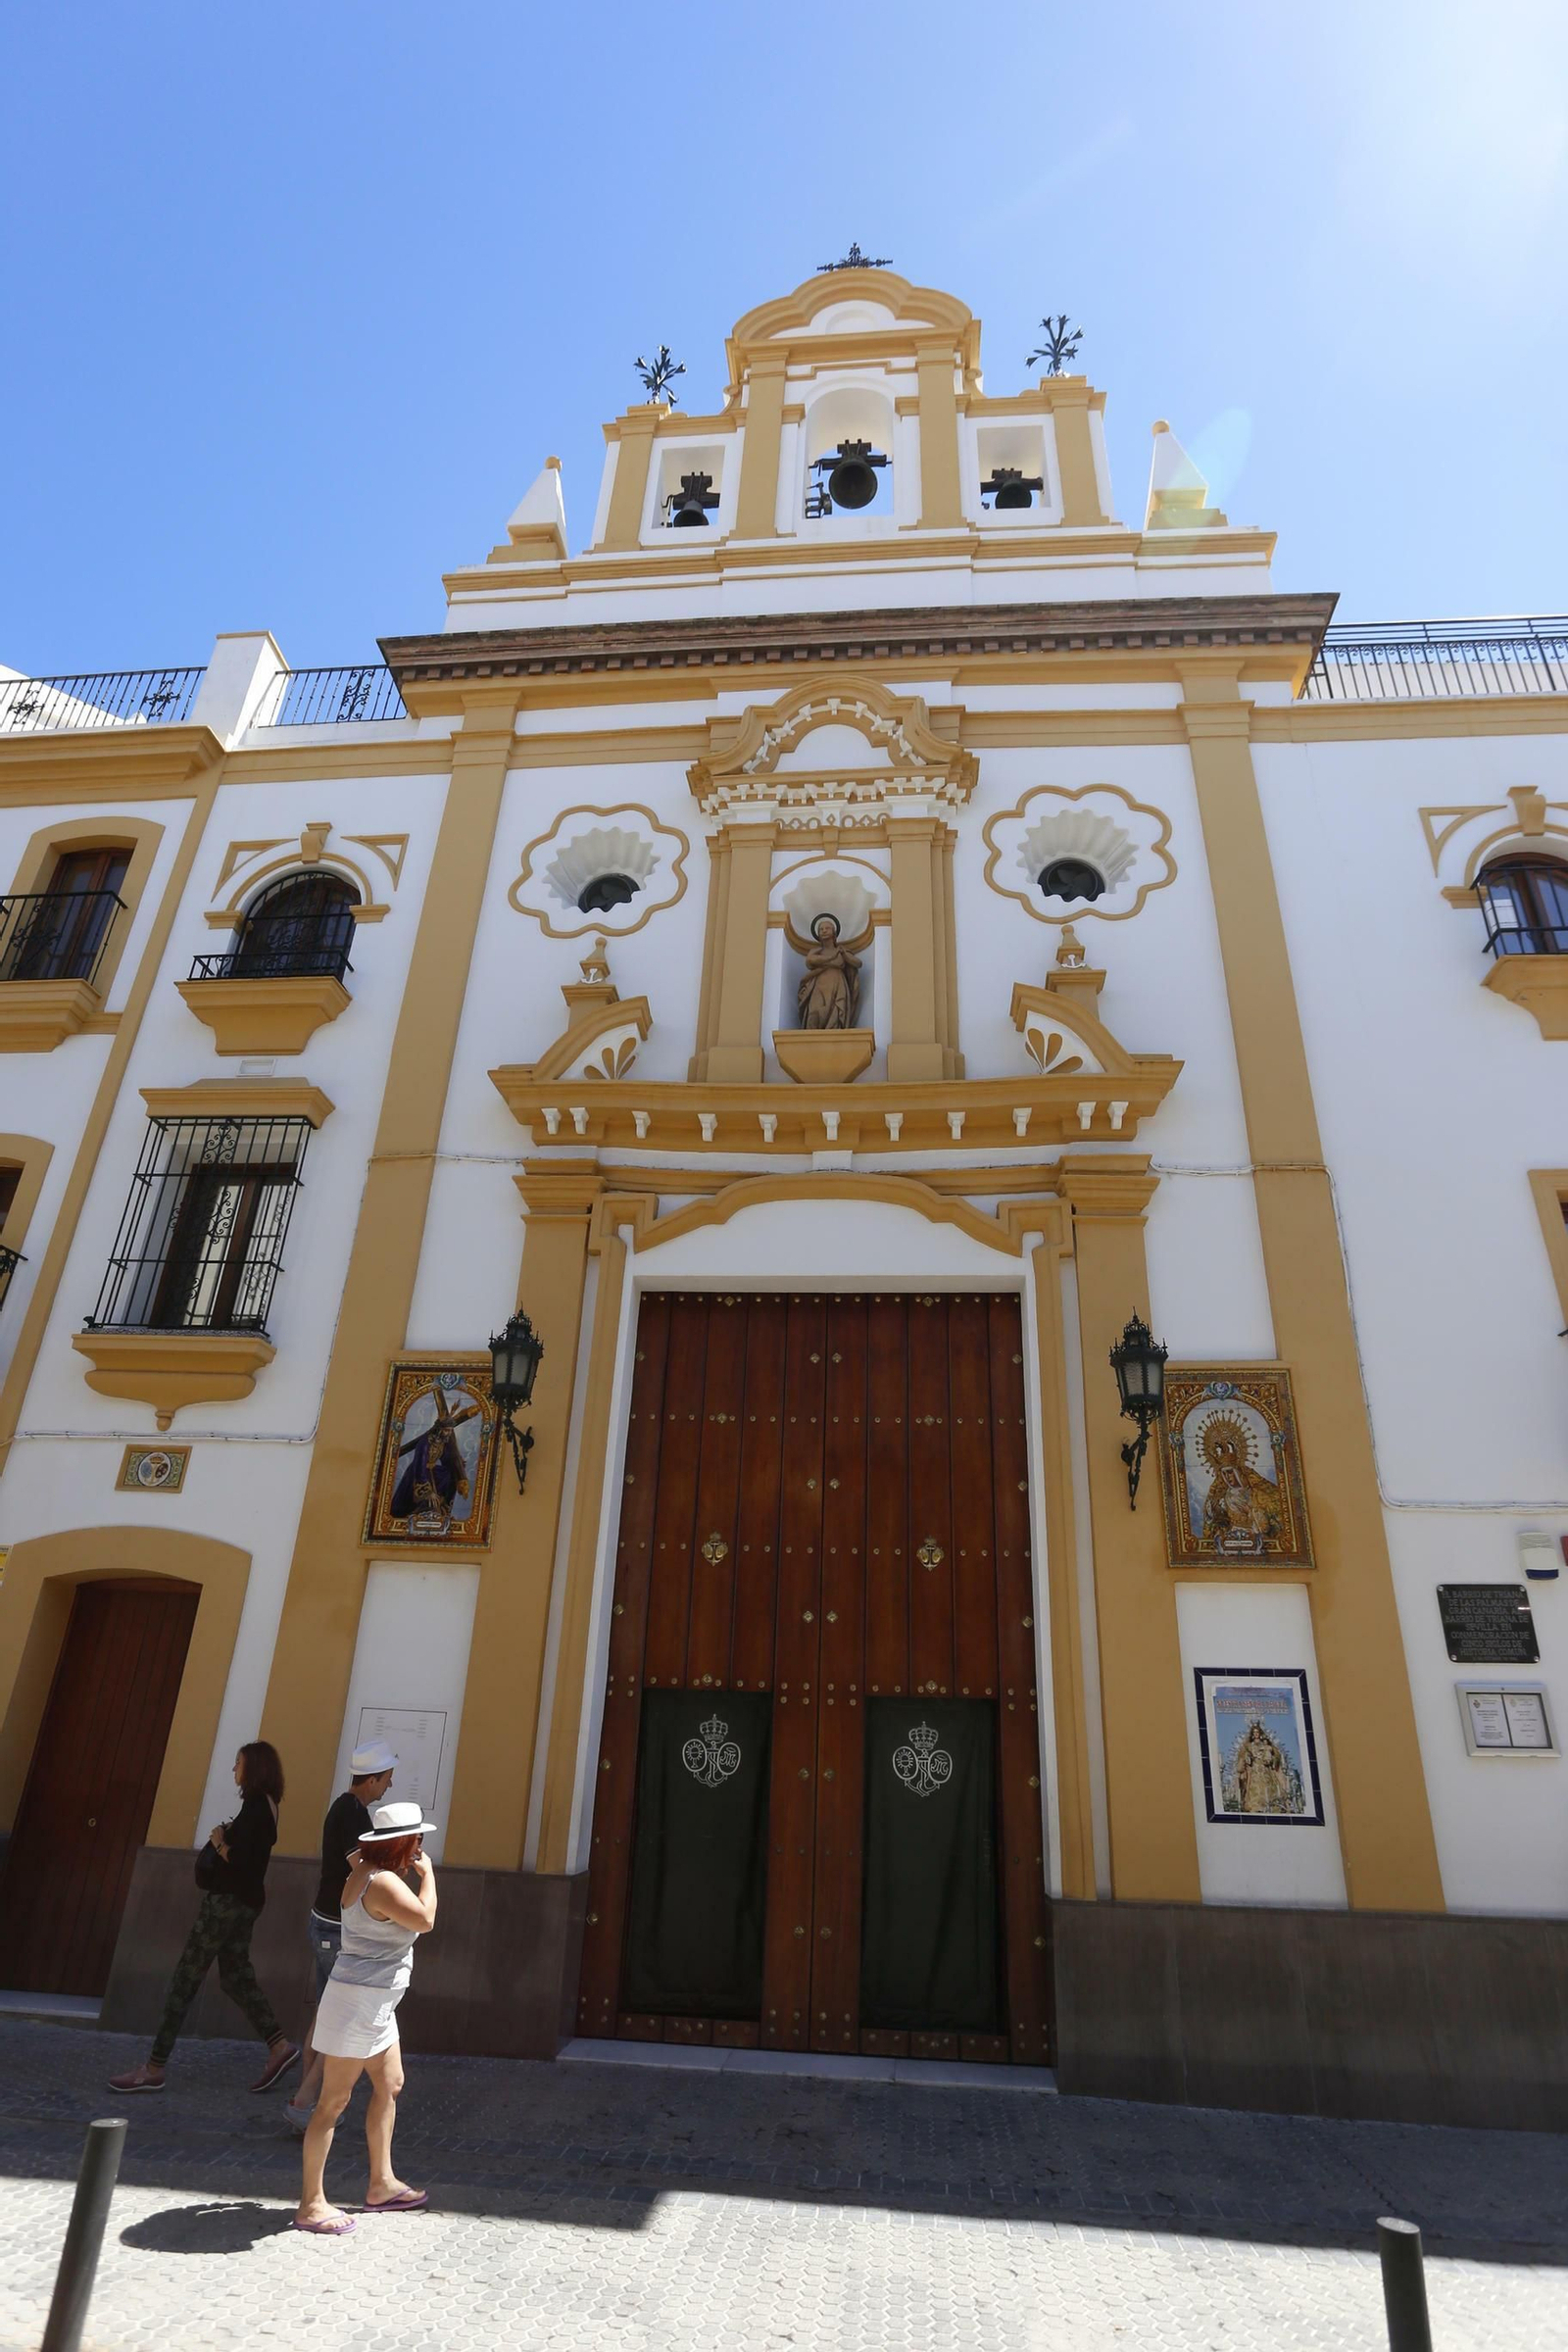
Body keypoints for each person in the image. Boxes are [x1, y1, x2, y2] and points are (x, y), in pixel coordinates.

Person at [109, 1741, 298, 2094]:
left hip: (225, 1905)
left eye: (238, 1763)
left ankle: (153, 2067)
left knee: (185, 1979)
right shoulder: (268, 1806)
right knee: (236, 1977)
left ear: (254, 1767)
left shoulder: (257, 1807)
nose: (234, 1770)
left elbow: (245, 1861)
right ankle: (279, 2046)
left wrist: (220, 1842)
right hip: (246, 1904)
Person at [294, 1799, 438, 2235]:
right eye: (417, 1840)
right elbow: (425, 1919)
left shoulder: (366, 1872)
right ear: (401, 1844)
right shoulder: (382, 1884)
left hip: (375, 2003)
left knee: (390, 2084)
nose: (420, 1848)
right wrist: (429, 1875)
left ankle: (381, 2184)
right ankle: (311, 2205)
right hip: (359, 2004)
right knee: (332, 2104)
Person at [283, 1738, 397, 2133]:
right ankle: (305, 2104)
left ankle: (304, 2099)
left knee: (326, 2011)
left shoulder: (348, 1808)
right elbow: (361, 1870)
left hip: (328, 1921)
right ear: (372, 1780)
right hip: (336, 1926)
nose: (388, 1788)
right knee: (341, 2017)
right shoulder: (353, 1815)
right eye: (386, 1780)